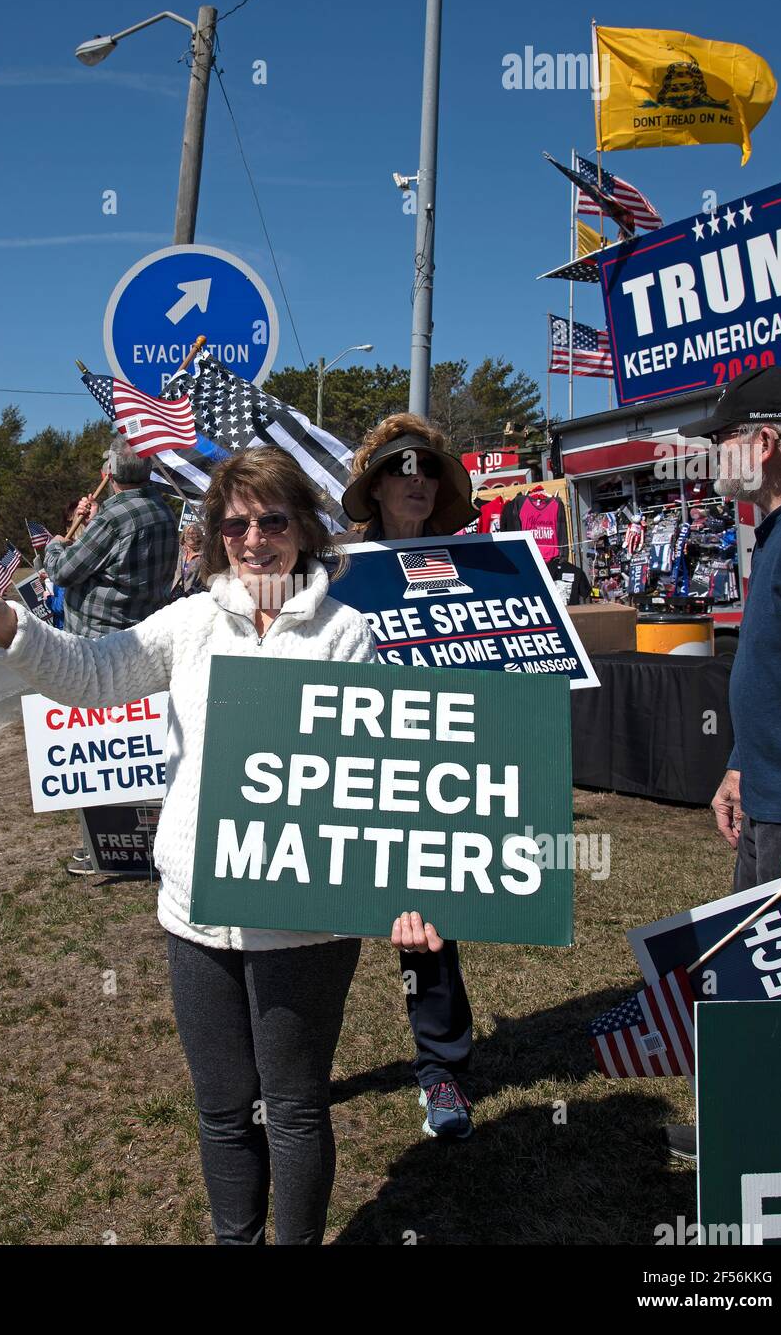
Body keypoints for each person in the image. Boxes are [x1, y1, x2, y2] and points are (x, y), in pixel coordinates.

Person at [0, 446, 442, 1245]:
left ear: (305, 530)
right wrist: (8, 622)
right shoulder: (188, 622)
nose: (254, 540)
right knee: (220, 1110)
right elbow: (91, 672)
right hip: (194, 911)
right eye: (235, 524)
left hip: (303, 916)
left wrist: (407, 890)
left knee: (292, 1106)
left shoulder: (348, 635)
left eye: (272, 521)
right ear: (214, 535)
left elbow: (385, 774)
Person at [663, 365, 781, 1162]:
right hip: (770, 796)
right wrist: (736, 763)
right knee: (760, 989)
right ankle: (750, 1133)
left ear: (762, 445)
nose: (707, 457)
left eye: (718, 442)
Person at [340, 413, 481, 1142]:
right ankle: (291, 1074)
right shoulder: (332, 573)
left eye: (427, 470)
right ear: (374, 486)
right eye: (399, 469)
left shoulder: (474, 567)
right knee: (317, 922)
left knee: (425, 929)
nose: (416, 481)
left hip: (433, 776)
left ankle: (441, 1071)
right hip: (345, 767)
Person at [44, 436, 177, 637]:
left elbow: (61, 572)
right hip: (145, 635)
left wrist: (55, 545)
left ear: (110, 472)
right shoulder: (164, 512)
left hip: (100, 644)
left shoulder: (111, 521)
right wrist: (95, 522)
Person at [169, 522, 205, 601]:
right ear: (184, 536)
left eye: (193, 533)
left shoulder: (204, 554)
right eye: (187, 533)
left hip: (192, 596)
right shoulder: (179, 550)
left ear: (199, 535)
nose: (190, 536)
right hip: (173, 592)